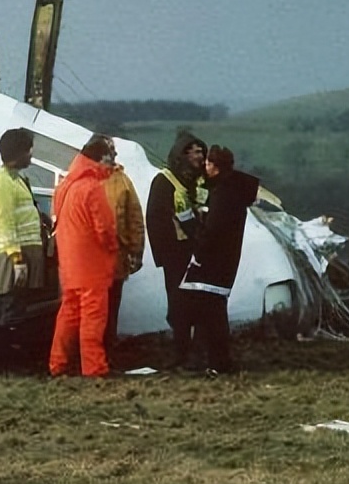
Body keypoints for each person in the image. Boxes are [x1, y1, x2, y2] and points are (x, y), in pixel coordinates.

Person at [178, 146, 259, 374]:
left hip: (213, 263)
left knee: (211, 313)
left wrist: (189, 225)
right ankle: (213, 360)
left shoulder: (223, 194)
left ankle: (218, 361)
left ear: (214, 166)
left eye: (207, 164)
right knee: (212, 311)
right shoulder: (233, 191)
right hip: (225, 261)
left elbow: (213, 230)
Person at [48, 137, 118, 378]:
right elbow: (106, 229)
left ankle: (58, 364)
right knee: (93, 317)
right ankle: (94, 368)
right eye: (110, 158)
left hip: (68, 264)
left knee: (69, 313)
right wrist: (114, 248)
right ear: (100, 159)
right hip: (92, 265)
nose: (112, 163)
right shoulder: (92, 188)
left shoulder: (64, 187)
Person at [145, 131, 208, 368]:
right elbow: (154, 219)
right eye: (196, 152)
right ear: (183, 154)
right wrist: (163, 255)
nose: (200, 157)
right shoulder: (164, 181)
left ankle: (200, 350)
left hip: (201, 251)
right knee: (179, 302)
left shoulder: (202, 181)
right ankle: (181, 351)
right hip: (176, 253)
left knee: (202, 301)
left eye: (202, 152)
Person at [0, 128, 46, 324]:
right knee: (10, 310)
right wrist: (16, 258)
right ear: (19, 153)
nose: (31, 155)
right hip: (13, 254)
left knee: (20, 308)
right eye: (29, 150)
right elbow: (4, 224)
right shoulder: (1, 182)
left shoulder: (16, 179)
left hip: (23, 252)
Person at [98, 136, 145, 368]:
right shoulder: (82, 179)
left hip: (116, 257)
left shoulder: (122, 181)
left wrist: (137, 251)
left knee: (112, 304)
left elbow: (134, 218)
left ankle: (108, 349)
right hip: (90, 259)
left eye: (114, 150)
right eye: (109, 150)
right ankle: (90, 353)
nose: (113, 155)